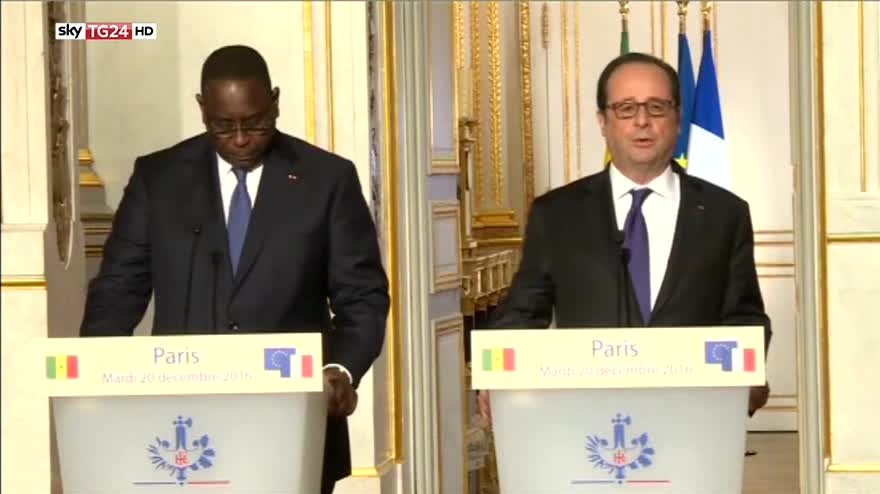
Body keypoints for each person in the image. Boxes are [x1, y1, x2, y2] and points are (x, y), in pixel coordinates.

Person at [80, 44, 390, 494]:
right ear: (202, 109)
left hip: (294, 422)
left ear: (276, 102)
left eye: (256, 123)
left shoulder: (327, 179)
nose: (241, 139)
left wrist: (342, 368)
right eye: (223, 127)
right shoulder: (158, 179)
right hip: (183, 420)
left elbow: (361, 294)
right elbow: (118, 288)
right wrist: (96, 372)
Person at [483, 52, 770, 416]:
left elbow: (744, 317)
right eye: (626, 108)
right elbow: (523, 314)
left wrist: (749, 374)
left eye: (656, 107)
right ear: (602, 121)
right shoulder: (556, 214)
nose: (642, 121)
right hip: (588, 421)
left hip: (693, 416)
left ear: (677, 118)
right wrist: (495, 377)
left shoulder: (724, 213)